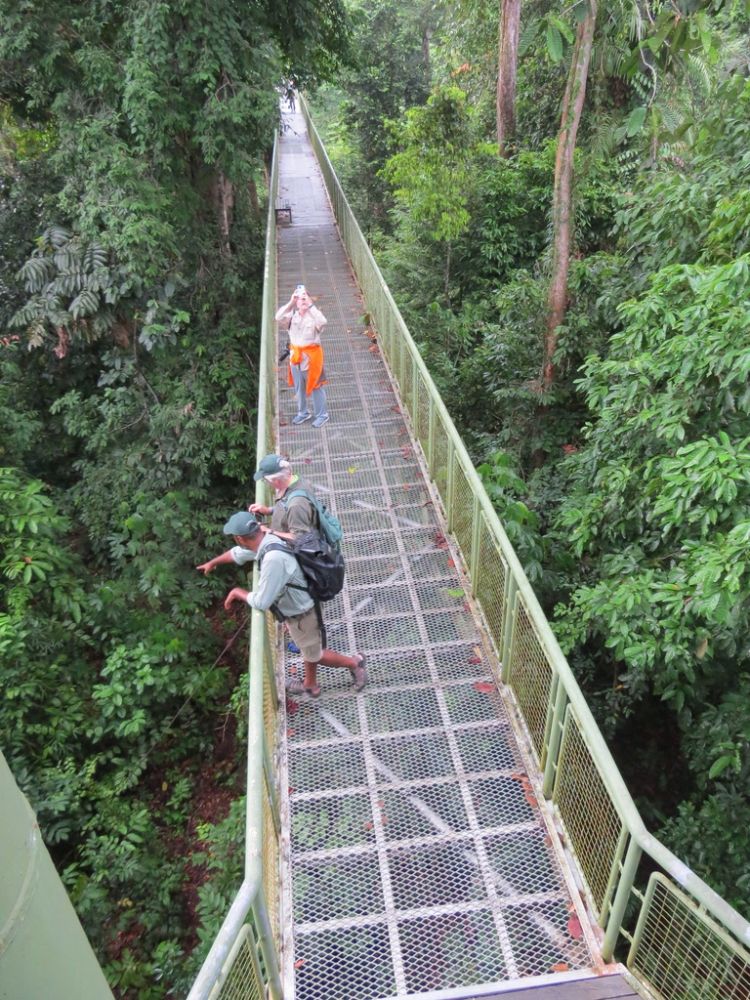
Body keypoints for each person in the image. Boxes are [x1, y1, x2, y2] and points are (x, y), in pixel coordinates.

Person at [197, 512, 366, 697]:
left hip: (303, 613)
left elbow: (262, 602)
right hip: (300, 607)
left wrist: (238, 592)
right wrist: (213, 563)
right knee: (308, 649)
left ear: (239, 538)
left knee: (315, 654)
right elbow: (238, 554)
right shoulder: (268, 539)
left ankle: (354, 663)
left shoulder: (272, 559)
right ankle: (311, 685)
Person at [275, 285, 329, 428]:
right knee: (299, 388)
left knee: (316, 387)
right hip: (295, 358)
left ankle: (322, 415)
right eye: (300, 297)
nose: (302, 299)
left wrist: (310, 305)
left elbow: (323, 322)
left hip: (311, 360)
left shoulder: (314, 316)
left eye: (305, 296)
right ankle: (303, 412)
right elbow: (278, 317)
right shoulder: (291, 317)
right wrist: (291, 302)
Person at [249, 453, 318, 540]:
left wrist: (268, 531)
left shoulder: (296, 505)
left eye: (265, 480)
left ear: (276, 481)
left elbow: (300, 538)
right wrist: (269, 510)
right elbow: (286, 507)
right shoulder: (296, 479)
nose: (267, 483)